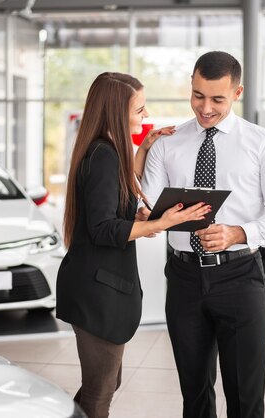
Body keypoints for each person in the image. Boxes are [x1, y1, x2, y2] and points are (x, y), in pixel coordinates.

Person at [140, 51, 265, 418]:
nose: (204, 107)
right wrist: (147, 215)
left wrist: (240, 232)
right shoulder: (167, 142)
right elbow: (146, 204)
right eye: (197, 95)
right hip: (183, 277)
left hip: (239, 276)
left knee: (245, 395)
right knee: (194, 394)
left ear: (237, 93)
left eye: (217, 99)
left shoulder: (262, 143)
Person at [56, 72, 211, 418]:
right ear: (116, 111)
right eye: (139, 109)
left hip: (95, 287)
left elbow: (114, 203)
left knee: (105, 385)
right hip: (96, 292)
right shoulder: (103, 155)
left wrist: (142, 150)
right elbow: (103, 229)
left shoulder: (104, 151)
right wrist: (162, 222)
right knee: (100, 392)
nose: (144, 115)